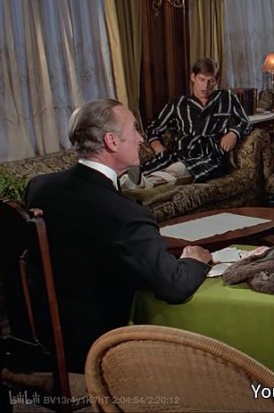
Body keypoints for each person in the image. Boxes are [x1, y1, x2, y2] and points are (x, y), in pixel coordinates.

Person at [24, 99, 211, 372]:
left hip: (40, 339)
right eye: (134, 129)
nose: (141, 138)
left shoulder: (39, 187)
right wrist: (194, 259)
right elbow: (174, 285)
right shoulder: (124, 213)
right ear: (111, 141)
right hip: (97, 347)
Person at [140, 58, 251, 185]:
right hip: (181, 153)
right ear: (193, 77)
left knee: (178, 170)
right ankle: (132, 182)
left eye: (211, 81)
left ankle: (150, 184)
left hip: (211, 157)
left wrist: (234, 132)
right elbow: (153, 128)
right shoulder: (178, 104)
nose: (206, 86)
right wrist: (158, 147)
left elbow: (246, 122)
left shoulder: (226, 98)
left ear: (216, 81)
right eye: (202, 79)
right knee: (146, 169)